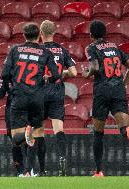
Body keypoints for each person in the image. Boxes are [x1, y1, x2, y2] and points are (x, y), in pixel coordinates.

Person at [0, 23, 60, 176]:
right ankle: (27, 171)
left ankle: (25, 139)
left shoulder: (15, 50)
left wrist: (12, 88)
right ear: (39, 36)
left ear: (23, 36)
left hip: (19, 97)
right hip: (37, 97)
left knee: (16, 137)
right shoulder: (44, 52)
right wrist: (47, 80)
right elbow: (57, 76)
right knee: (37, 134)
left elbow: (4, 75)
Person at [82, 20, 129, 177]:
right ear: (105, 34)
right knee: (123, 126)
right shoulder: (114, 47)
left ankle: (99, 171)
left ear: (91, 35)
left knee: (98, 132)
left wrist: (87, 74)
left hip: (102, 90)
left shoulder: (91, 48)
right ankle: (127, 130)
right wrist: (123, 84)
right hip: (118, 89)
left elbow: (93, 67)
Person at [40, 20, 77, 176]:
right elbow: (74, 73)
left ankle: (41, 168)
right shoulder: (62, 50)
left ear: (41, 34)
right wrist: (61, 74)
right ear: (54, 33)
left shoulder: (38, 50)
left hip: (40, 92)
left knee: (38, 130)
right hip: (57, 92)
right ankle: (62, 158)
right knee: (58, 129)